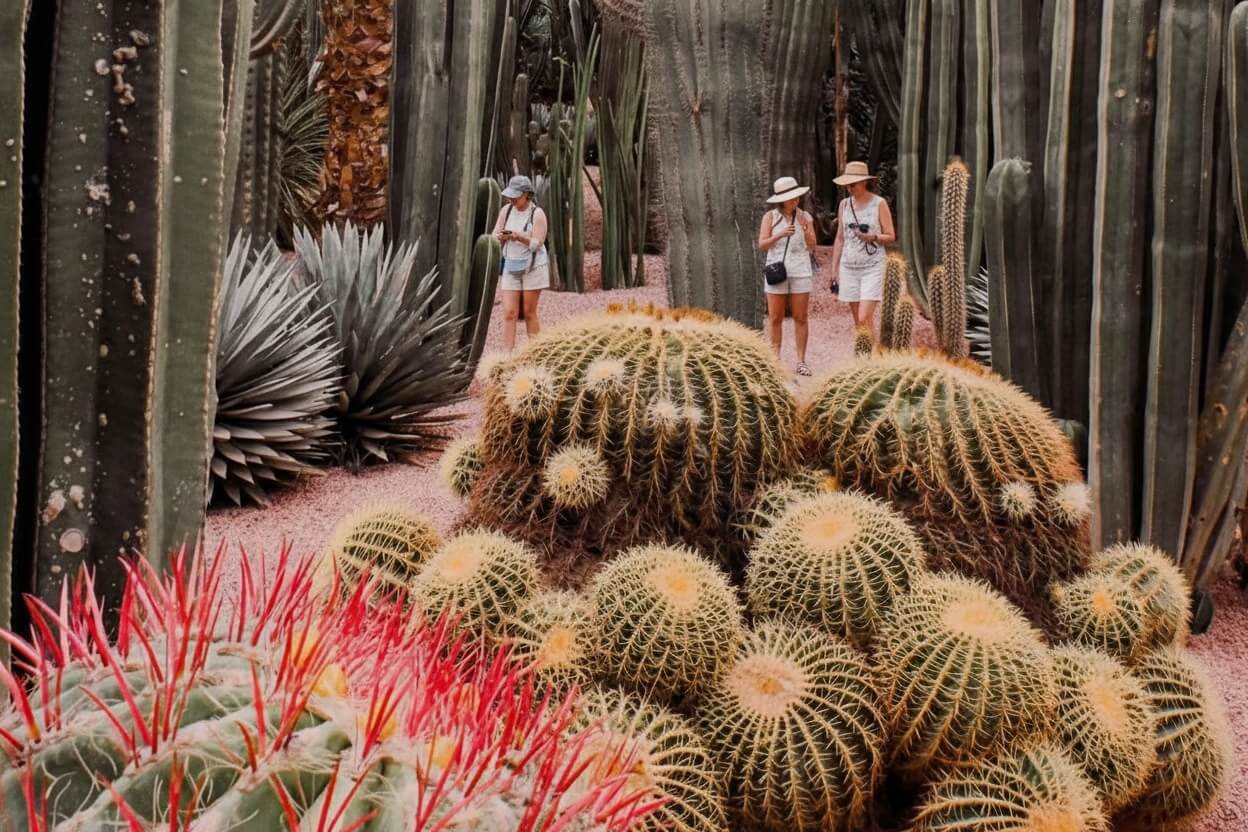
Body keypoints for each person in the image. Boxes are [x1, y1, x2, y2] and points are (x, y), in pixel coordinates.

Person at [829, 161, 895, 345]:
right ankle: (866, 357)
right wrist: (834, 270)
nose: (849, 188)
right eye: (847, 185)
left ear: (864, 182)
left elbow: (890, 235)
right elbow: (840, 238)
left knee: (865, 316)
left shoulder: (878, 203)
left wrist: (872, 237)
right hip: (849, 266)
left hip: (872, 266)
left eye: (853, 184)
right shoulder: (844, 205)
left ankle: (871, 359)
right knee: (859, 321)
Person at [758, 176, 818, 377]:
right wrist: (780, 234)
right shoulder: (770, 217)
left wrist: (805, 228)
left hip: (800, 270)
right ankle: (775, 361)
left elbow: (812, 246)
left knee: (801, 317)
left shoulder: (805, 217)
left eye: (797, 197)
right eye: (791, 198)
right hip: (777, 270)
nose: (795, 201)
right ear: (781, 199)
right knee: (775, 317)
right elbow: (762, 244)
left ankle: (801, 361)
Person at [492, 175, 550, 351]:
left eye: (516, 195)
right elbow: (494, 235)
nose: (512, 199)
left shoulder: (537, 214)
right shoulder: (506, 211)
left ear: (526, 194)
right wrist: (501, 237)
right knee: (509, 312)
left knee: (529, 312)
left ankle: (535, 353)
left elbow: (537, 243)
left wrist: (518, 236)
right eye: (510, 195)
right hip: (511, 265)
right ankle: (507, 356)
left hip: (533, 267)